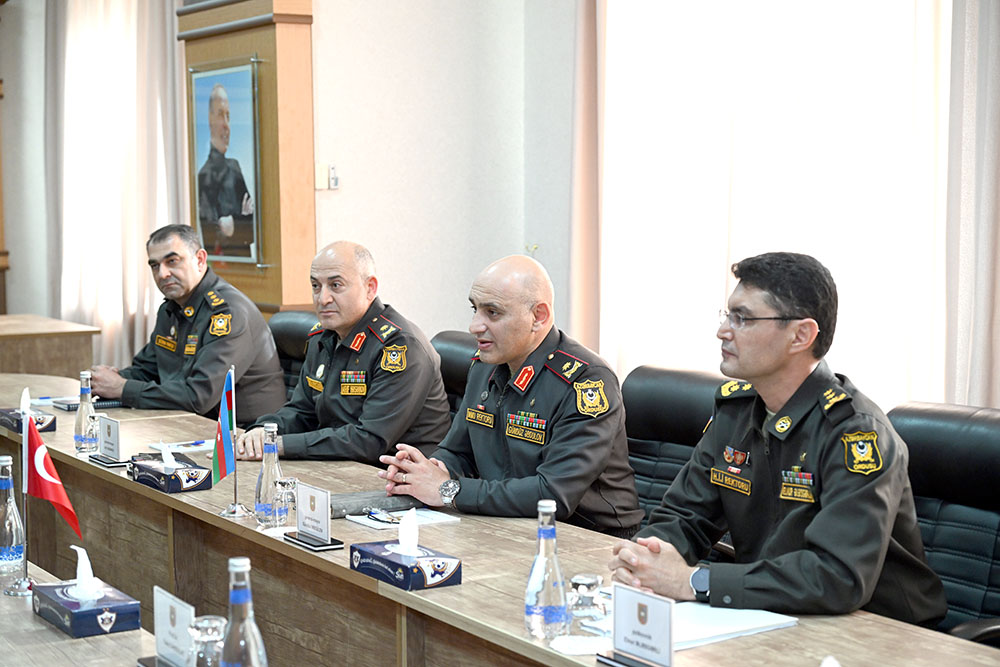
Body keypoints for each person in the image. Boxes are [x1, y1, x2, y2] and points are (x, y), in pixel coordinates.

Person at [608, 252, 947, 626]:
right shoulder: (736, 413)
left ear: (801, 335)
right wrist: (644, 561)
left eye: (742, 318)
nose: (724, 331)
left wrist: (695, 582)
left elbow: (837, 576)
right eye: (727, 315)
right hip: (773, 614)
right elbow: (684, 516)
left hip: (880, 632)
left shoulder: (855, 433)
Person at [379, 255, 644, 538]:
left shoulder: (586, 380)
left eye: (493, 312)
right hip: (505, 522)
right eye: (475, 309)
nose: (474, 326)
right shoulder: (485, 366)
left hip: (589, 537)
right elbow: (459, 451)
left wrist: (448, 490)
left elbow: (554, 494)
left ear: (538, 317)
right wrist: (426, 471)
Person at [236, 241, 451, 464]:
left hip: (395, 474)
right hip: (339, 464)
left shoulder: (399, 346)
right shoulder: (323, 336)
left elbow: (369, 441)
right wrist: (264, 431)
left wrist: (279, 445)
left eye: (336, 285)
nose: (323, 298)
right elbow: (302, 411)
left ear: (370, 288)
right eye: (315, 286)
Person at [90, 224, 286, 427]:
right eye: (155, 266)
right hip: (192, 424)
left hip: (244, 434)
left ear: (200, 260)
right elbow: (148, 369)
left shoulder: (227, 313)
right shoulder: (171, 309)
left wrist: (122, 388)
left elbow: (198, 397)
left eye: (172, 261)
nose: (162, 274)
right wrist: (107, 380)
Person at [198, 83, 254, 257]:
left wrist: (231, 225)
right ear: (210, 120)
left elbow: (253, 229)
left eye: (228, 116)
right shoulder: (203, 177)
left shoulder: (234, 167)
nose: (226, 125)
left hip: (246, 268)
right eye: (220, 114)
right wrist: (242, 219)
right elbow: (212, 238)